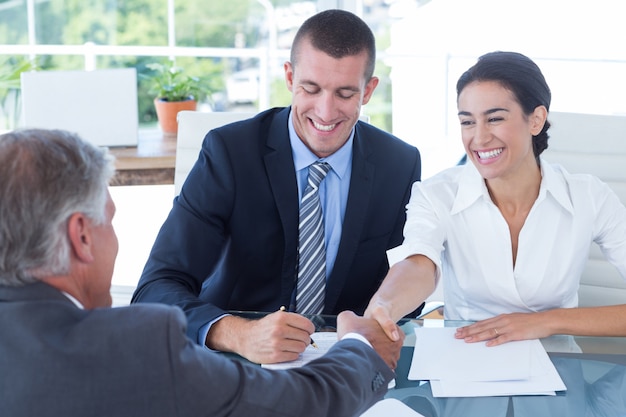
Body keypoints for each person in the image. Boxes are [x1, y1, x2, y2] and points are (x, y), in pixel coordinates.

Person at [0, 128, 405, 417]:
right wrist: (361, 349)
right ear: (82, 236)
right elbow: (301, 402)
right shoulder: (132, 347)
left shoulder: (395, 161)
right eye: (110, 220)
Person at [132, 9, 422, 364]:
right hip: (237, 363)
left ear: (369, 90)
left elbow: (410, 288)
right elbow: (155, 288)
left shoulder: (399, 164)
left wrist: (381, 315)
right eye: (311, 89)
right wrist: (236, 333)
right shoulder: (230, 154)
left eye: (345, 94)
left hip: (345, 366)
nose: (326, 112)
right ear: (289, 76)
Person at [365, 51, 626, 349]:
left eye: (495, 119)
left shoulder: (589, 197)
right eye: (467, 122)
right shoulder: (436, 194)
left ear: (536, 119)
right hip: (467, 365)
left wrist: (548, 321)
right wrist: (384, 306)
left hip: (560, 368)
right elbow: (418, 263)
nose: (479, 137)